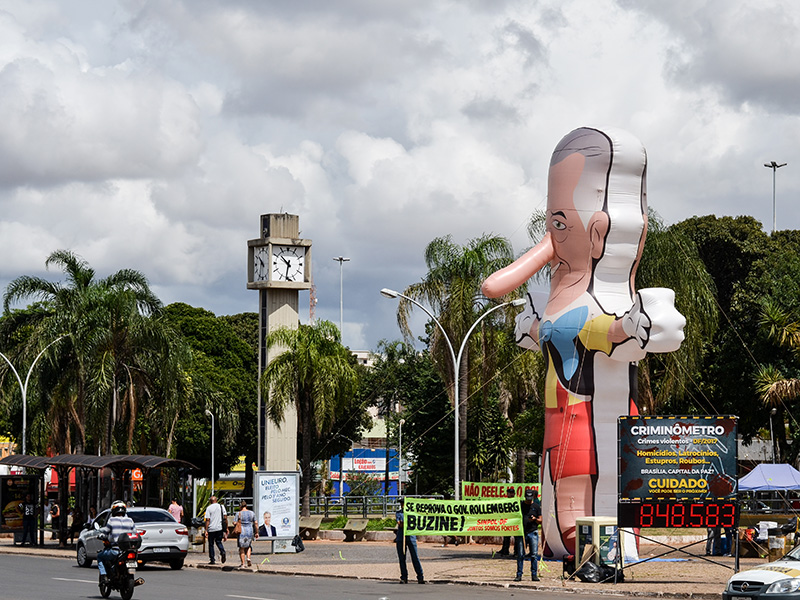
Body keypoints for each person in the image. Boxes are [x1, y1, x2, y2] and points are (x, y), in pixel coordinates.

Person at [482, 127, 685, 557]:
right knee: (571, 483)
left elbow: (605, 332)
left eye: (559, 223)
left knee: (585, 479)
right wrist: (535, 328)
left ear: (598, 232)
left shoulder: (586, 309)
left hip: (580, 421)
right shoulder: (565, 306)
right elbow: (580, 332)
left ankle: (595, 547)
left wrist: (634, 326)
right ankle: (583, 545)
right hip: (569, 419)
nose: (552, 235)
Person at [97, 500, 137, 583]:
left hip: (116, 551)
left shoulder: (112, 520)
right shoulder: (130, 520)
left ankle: (104, 575)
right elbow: (135, 533)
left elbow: (105, 532)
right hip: (129, 551)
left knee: (100, 556)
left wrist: (101, 535)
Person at [514, 488, 542, 582]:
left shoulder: (536, 506)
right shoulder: (520, 505)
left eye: (530, 498)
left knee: (534, 555)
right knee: (520, 554)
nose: (529, 500)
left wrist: (534, 519)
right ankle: (519, 574)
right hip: (522, 533)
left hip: (533, 532)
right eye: (527, 498)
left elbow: (541, 520)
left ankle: (534, 575)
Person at [395, 497, 425, 584]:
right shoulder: (399, 513)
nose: (402, 505)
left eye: (404, 503)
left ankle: (420, 576)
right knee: (402, 558)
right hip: (401, 538)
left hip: (411, 537)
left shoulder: (413, 513)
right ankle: (404, 577)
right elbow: (400, 525)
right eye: (401, 503)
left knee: (415, 557)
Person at [204, 495, 227, 565]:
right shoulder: (221, 506)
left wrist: (206, 530)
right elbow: (225, 518)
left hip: (211, 529)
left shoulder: (208, 508)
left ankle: (212, 559)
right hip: (219, 528)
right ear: (216, 500)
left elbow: (208, 520)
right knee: (218, 541)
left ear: (210, 501)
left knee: (211, 544)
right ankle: (222, 551)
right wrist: (226, 528)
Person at [235, 500, 258, 568]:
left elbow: (234, 522)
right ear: (246, 505)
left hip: (241, 531)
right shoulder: (252, 513)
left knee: (241, 548)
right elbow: (256, 523)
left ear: (240, 506)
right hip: (249, 531)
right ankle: (248, 558)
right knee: (248, 546)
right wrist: (256, 532)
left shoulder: (238, 513)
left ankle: (243, 563)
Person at [498, 487, 516, 556]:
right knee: (506, 537)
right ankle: (505, 550)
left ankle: (516, 552)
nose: (510, 494)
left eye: (512, 493)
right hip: (507, 521)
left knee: (516, 538)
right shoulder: (505, 501)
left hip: (514, 521)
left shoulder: (516, 501)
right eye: (509, 493)